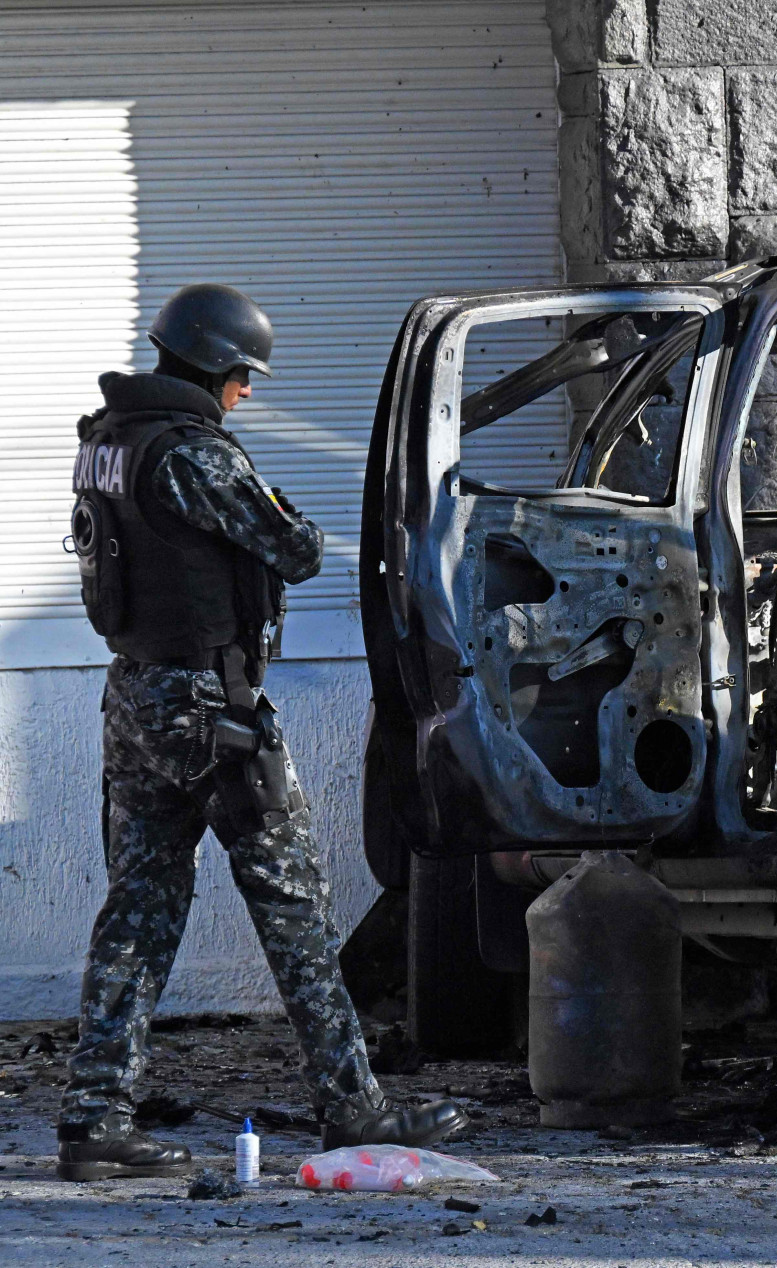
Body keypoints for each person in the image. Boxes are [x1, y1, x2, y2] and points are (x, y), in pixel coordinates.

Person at [58, 284, 465, 1181]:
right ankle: (353, 1108)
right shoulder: (192, 454)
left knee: (137, 910)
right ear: (213, 364)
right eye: (245, 377)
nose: (248, 393)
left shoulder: (106, 444)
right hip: (212, 709)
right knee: (295, 907)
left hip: (134, 700)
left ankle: (95, 1122)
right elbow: (296, 548)